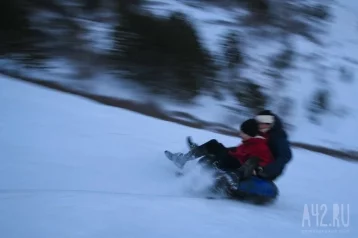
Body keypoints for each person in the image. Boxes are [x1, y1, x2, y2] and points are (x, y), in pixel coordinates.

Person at [165, 119, 274, 182]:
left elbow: (262, 162)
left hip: (238, 166)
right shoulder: (249, 142)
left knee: (217, 157)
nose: (240, 134)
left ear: (250, 134)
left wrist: (257, 170)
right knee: (213, 144)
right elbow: (238, 151)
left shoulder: (260, 146)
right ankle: (183, 160)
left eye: (243, 132)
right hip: (232, 158)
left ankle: (194, 179)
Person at [254, 110, 292, 180]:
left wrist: (268, 168)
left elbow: (286, 155)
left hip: (269, 169)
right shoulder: (261, 132)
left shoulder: (278, 135)